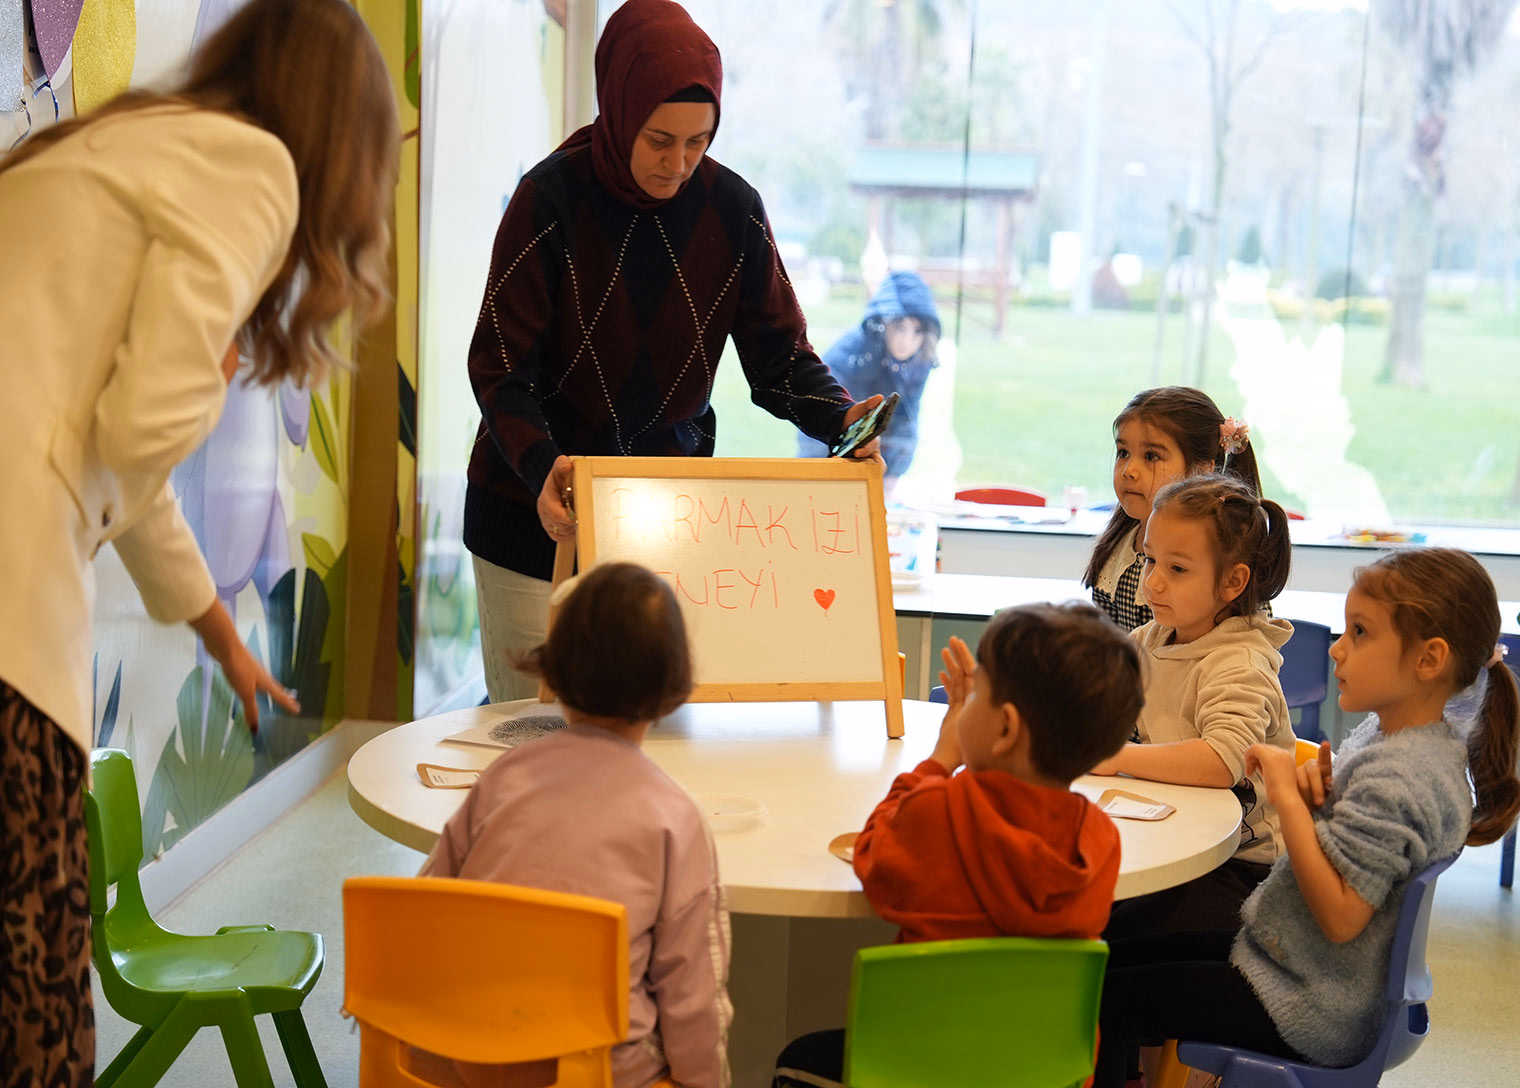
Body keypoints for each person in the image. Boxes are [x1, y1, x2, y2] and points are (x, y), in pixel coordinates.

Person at [0, 0, 398, 1079]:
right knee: (29, 1009)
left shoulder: (130, 139)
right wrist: (215, 375)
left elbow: (112, 464)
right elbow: (139, 435)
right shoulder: (251, 168)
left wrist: (219, 627)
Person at [465, 0, 882, 703]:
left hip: (662, 520)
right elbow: (502, 369)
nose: (679, 164)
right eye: (660, 139)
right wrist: (543, 465)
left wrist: (843, 422)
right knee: (530, 739)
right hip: (531, 506)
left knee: (650, 734)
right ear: (619, 109)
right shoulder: (549, 198)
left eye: (699, 142)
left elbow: (780, 357)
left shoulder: (733, 208)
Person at [1093, 548, 1520, 1085]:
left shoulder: (1406, 777)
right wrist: (1320, 800)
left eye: (1360, 633)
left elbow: (1342, 917)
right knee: (1105, 962)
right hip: (1290, 968)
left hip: (1306, 1004)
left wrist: (1290, 803)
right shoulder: (1396, 738)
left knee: (1103, 1000)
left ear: (1428, 660)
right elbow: (1360, 852)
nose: (1338, 650)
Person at [772, 602, 1145, 1088]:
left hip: (916, 1067)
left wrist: (942, 757)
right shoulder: (1100, 839)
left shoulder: (937, 811)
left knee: (798, 1056)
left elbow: (872, 856)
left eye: (977, 698)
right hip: (1040, 1071)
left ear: (1006, 728)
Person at [421, 562, 731, 1088]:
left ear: (554, 669)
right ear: (672, 681)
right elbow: (693, 990)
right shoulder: (674, 818)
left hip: (466, 1053)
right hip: (594, 1069)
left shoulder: (502, 778)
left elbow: (427, 905)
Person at [1092, 473, 1296, 939]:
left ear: (1232, 582)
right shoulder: (1151, 638)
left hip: (1246, 871)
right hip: (1175, 835)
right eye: (1150, 561)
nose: (1154, 583)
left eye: (1178, 569)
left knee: (1115, 941)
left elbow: (1221, 761)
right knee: (1083, 913)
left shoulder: (1239, 661)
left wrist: (1117, 757)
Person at [1083, 387, 1263, 632]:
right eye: (1123, 453)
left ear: (1201, 471)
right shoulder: (1119, 544)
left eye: (1151, 456)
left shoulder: (1216, 552)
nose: (1129, 470)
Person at [796, 270, 942, 489]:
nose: (907, 341)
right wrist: (820, 477)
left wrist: (893, 474)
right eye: (900, 328)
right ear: (884, 323)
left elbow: (907, 419)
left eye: (917, 331)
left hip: (875, 458)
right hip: (828, 462)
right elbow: (818, 419)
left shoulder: (920, 358)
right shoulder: (850, 356)